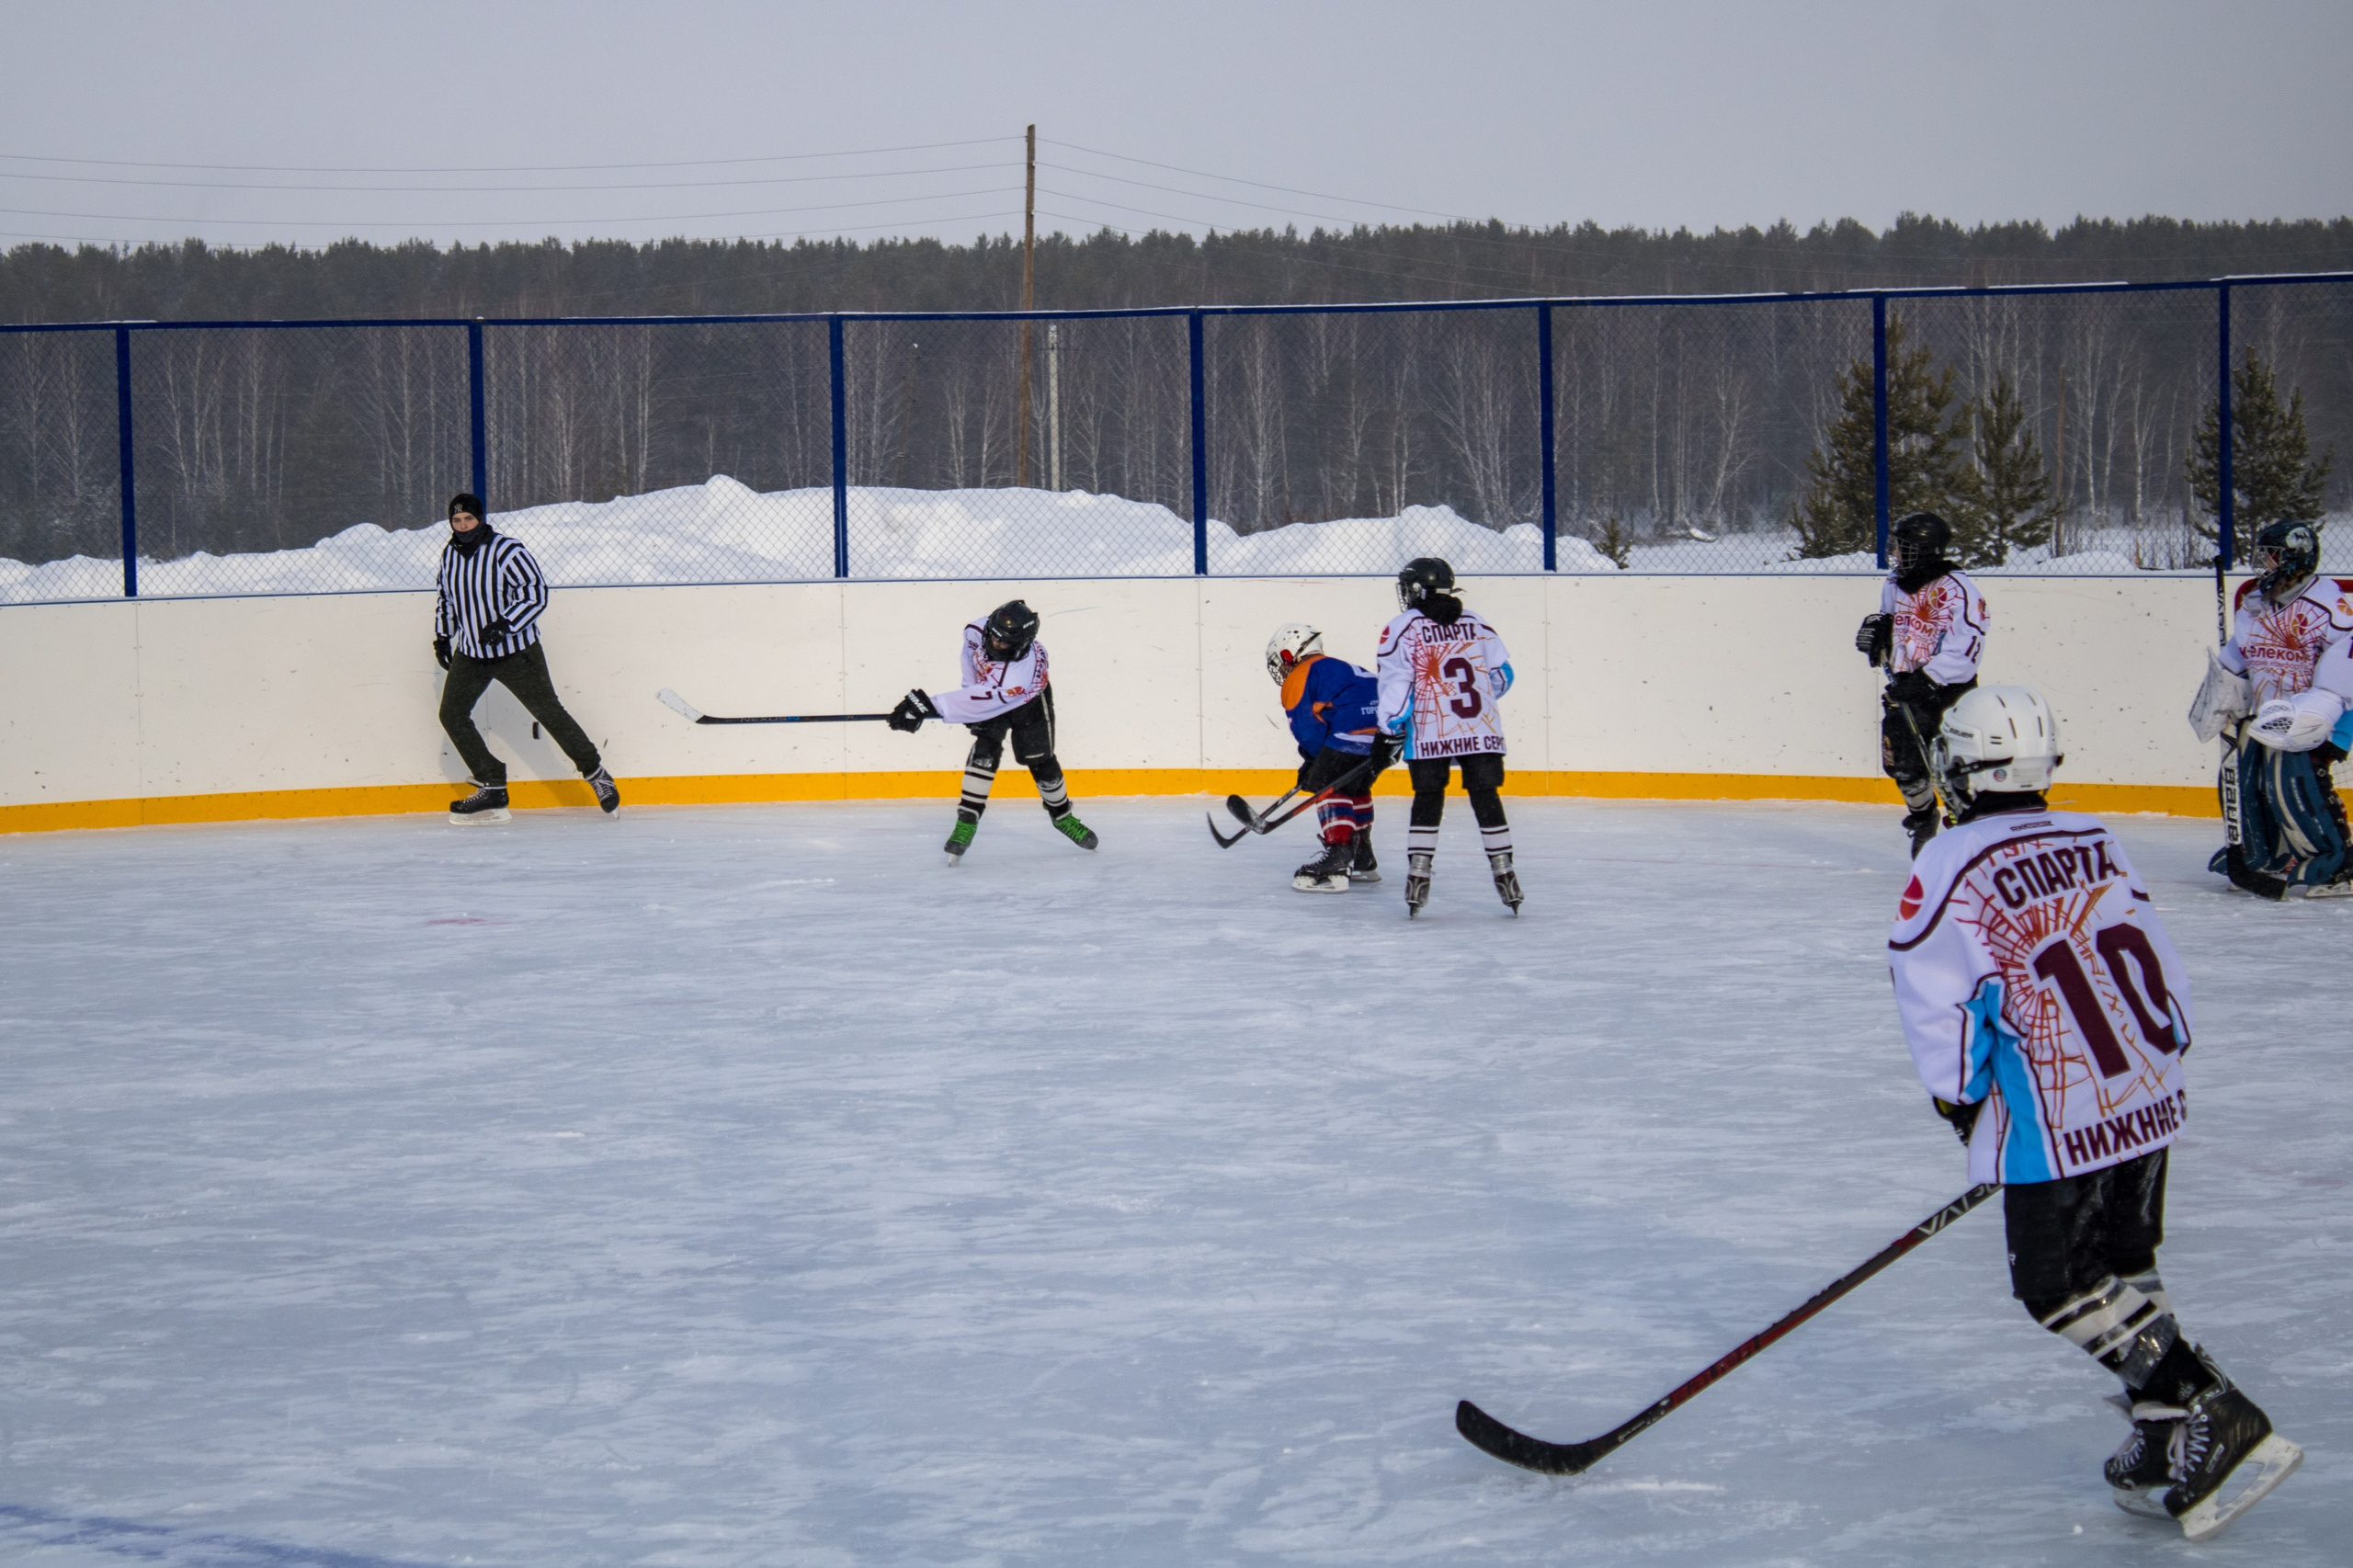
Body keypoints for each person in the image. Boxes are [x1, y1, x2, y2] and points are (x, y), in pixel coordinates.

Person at [1889, 685, 2299, 1541]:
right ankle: (2160, 1431)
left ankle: (2206, 1404)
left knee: (2057, 1284)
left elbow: (1942, 1003)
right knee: (2121, 1257)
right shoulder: (2097, 837)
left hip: (2058, 1105)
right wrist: (2163, 1056)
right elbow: (2153, 951)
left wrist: (1960, 1101)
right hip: (2147, 1087)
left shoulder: (1947, 862)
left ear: (1960, 769)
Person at [433, 493, 619, 823]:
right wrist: (443, 636)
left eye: (469, 520)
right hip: (472, 653)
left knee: (549, 712)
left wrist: (506, 623)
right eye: (457, 521)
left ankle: (596, 773)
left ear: (481, 519)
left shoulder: (507, 551)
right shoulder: (449, 555)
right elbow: (446, 598)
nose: (463, 526)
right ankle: (491, 783)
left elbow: (534, 592)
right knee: (452, 714)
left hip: (516, 652)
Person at [2200, 518, 2352, 899]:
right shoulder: (2256, 605)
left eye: (2271, 557)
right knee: (2245, 776)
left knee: (2294, 778)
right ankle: (2258, 856)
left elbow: (2339, 681)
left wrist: (2316, 720)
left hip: (2326, 714)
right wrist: (2222, 695)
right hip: (2267, 713)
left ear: (2295, 560)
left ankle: (2340, 864)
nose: (2262, 564)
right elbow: (2238, 658)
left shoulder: (2329, 607)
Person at [887, 599, 1097, 860]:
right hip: (990, 690)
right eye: (993, 638)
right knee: (985, 749)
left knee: (1041, 761)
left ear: (1020, 645)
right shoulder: (975, 630)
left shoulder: (1018, 675)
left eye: (1004, 644)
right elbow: (971, 665)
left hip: (1028, 699)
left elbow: (991, 694)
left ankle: (1062, 816)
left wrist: (931, 705)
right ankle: (966, 823)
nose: (995, 645)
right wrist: (965, 699)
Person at [1374, 558, 1519, 916]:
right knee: (1485, 794)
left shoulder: (1403, 627)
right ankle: (1505, 872)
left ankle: (1418, 876)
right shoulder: (1476, 622)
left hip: (1430, 731)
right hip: (1480, 730)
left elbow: (1399, 686)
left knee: (1428, 795)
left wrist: (1388, 727)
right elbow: (1503, 675)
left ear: (1418, 589)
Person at [1855, 512, 1987, 857]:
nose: (1895, 553)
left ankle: (1965, 826)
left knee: (1952, 769)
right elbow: (1892, 620)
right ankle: (1923, 816)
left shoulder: (1958, 591)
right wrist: (1879, 633)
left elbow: (1967, 651)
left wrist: (1926, 680)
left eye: (1902, 546)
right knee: (1901, 763)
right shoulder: (1895, 582)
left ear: (1924, 548)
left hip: (1948, 695)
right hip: (1904, 687)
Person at [1266, 623, 1396, 892]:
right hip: (1385, 740)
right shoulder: (1340, 666)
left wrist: (1313, 761)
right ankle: (1362, 856)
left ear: (1289, 654)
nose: (1281, 669)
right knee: (1356, 786)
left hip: (1350, 736)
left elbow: (1308, 730)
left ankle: (1338, 855)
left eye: (1280, 662)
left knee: (1328, 785)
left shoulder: (1300, 675)